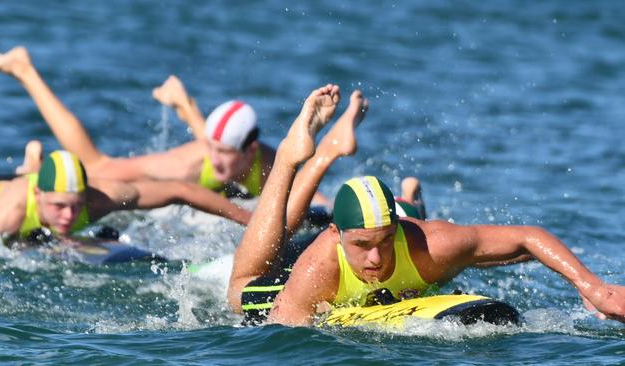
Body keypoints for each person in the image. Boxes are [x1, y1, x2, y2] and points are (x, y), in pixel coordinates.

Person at [227, 83, 625, 326]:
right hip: (300, 276)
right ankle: (306, 156)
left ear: (397, 230)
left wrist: (593, 286)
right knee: (239, 287)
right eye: (363, 246)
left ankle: (406, 203)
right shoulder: (316, 269)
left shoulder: (433, 244)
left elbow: (526, 237)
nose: (376, 258)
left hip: (407, 230)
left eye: (384, 241)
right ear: (338, 235)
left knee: (449, 250)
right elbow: (279, 339)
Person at [0, 46, 327, 202]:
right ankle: (24, 70)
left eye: (225, 153)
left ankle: (181, 100)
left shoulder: (267, 162)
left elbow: (316, 199)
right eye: (212, 149)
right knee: (97, 166)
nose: (215, 159)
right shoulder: (194, 162)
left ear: (251, 151)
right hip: (185, 174)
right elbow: (210, 147)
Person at [0, 149, 251, 242]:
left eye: (75, 206)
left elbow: (179, 190)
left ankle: (34, 165)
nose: (69, 216)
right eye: (60, 207)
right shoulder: (7, 212)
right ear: (39, 195)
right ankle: (31, 166)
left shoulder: (100, 197)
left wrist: (251, 220)